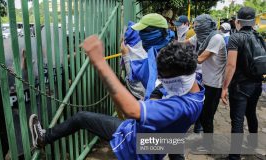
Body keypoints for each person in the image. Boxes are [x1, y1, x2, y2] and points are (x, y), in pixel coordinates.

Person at [29, 37, 205, 160]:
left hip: (136, 143)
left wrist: (99, 62)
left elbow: (132, 110)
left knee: (81, 117)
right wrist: (153, 100)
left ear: (178, 79)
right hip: (153, 141)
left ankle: (42, 139)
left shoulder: (182, 106)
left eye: (164, 77)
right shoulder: (195, 88)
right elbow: (160, 91)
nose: (161, 80)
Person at [221, 7, 265, 160]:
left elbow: (231, 65)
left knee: (238, 120)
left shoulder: (235, 38)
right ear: (253, 22)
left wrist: (224, 87)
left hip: (240, 87)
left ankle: (234, 156)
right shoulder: (258, 37)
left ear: (237, 21)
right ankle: (252, 145)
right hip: (257, 85)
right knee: (251, 114)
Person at [186, 14, 227, 153]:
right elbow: (186, 42)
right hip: (206, 81)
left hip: (215, 84)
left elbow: (201, 58)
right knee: (202, 114)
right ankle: (205, 141)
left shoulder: (216, 37)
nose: (195, 28)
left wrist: (179, 58)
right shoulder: (202, 37)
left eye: (197, 26)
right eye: (194, 25)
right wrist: (171, 46)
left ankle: (208, 146)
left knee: (207, 116)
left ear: (205, 25)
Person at [121, 13, 175, 100]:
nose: (141, 35)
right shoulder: (153, 54)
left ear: (156, 32)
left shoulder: (172, 58)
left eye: (144, 31)